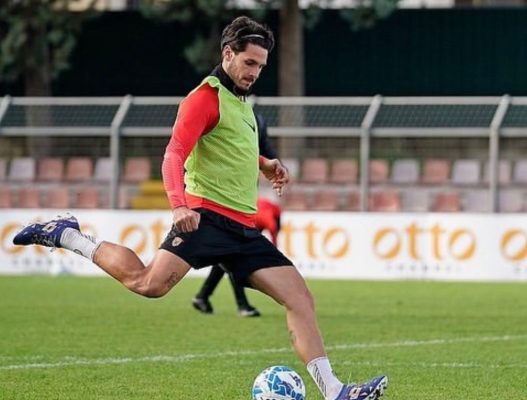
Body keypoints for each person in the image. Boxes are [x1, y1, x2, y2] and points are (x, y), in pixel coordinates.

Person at [13, 16, 388, 400]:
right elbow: (174, 154)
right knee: (148, 284)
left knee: (300, 298)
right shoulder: (204, 98)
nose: (255, 72)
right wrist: (179, 206)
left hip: (243, 230)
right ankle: (68, 235)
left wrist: (264, 164)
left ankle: (336, 392)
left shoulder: (241, 103)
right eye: (249, 63)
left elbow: (229, 147)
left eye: (261, 66)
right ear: (228, 54)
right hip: (206, 219)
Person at [192, 113, 278, 318]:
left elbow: (265, 152)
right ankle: (241, 304)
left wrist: (274, 167)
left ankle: (204, 296)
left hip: (240, 198)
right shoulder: (240, 117)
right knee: (231, 252)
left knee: (228, 253)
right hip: (223, 198)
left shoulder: (250, 118)